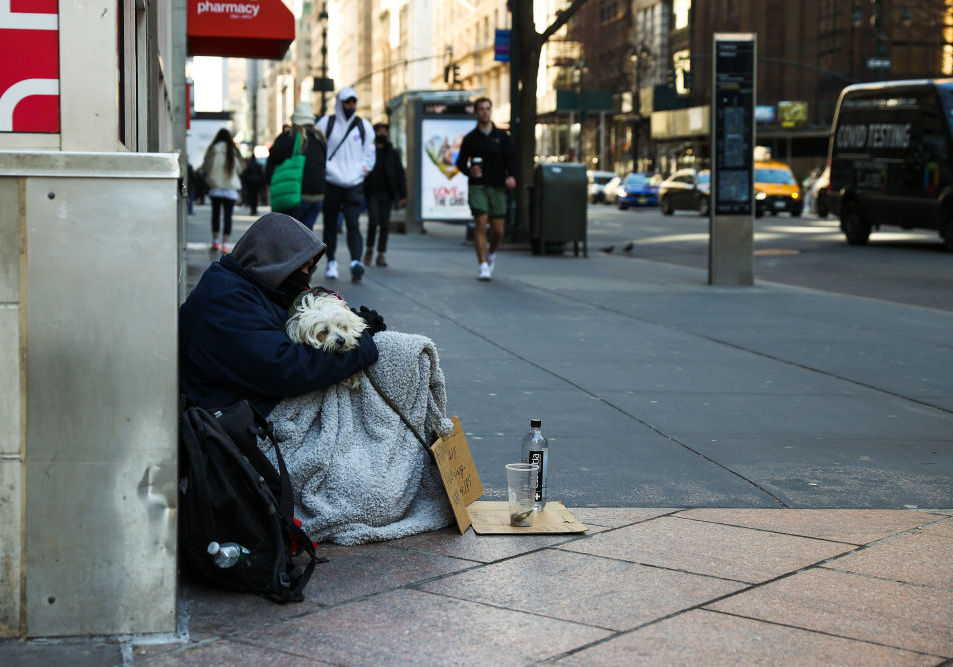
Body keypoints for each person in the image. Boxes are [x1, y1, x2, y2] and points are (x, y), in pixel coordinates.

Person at [179, 212, 383, 415]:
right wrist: (360, 340)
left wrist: (351, 320)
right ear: (275, 261)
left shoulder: (249, 283)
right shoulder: (225, 300)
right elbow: (287, 369)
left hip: (245, 401)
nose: (306, 276)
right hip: (227, 417)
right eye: (303, 266)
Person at [315, 87, 376, 283]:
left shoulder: (364, 126)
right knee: (330, 224)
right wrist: (328, 170)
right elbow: (318, 150)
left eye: (353, 102)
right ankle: (331, 261)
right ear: (339, 103)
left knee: (353, 223)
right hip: (331, 183)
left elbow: (370, 154)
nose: (351, 106)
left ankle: (355, 262)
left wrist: (360, 172)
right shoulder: (326, 123)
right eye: (346, 102)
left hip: (354, 184)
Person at [455, 96, 517, 281]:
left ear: (491, 111)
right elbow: (460, 163)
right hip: (478, 187)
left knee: (498, 230)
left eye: (487, 108)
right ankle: (483, 265)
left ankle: (491, 252)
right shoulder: (470, 139)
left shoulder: (502, 137)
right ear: (476, 112)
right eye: (481, 108)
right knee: (480, 223)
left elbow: (511, 159)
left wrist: (512, 176)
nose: (485, 112)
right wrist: (469, 170)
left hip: (498, 186)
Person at [265, 102, 328, 231]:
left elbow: (273, 157)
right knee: (306, 234)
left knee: (290, 235)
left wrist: (268, 182)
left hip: (296, 196)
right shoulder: (319, 138)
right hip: (317, 196)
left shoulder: (290, 137)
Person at [363, 122, 407, 268]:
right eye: (379, 131)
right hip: (372, 193)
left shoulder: (392, 152)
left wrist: (402, 194)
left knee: (384, 225)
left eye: (384, 131)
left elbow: (400, 173)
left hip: (387, 194)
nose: (382, 134)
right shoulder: (369, 150)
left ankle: (381, 254)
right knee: (373, 222)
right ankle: (369, 250)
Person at [201, 128, 244, 253]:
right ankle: (225, 244)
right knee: (228, 217)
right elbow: (239, 169)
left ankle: (215, 242)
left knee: (215, 215)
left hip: (216, 187)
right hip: (230, 189)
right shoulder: (233, 151)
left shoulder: (213, 149)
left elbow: (206, 167)